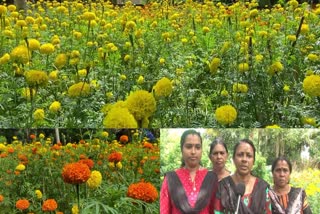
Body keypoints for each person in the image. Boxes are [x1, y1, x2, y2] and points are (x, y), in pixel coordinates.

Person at [160, 129, 218, 214]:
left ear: (201, 150)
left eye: (197, 147)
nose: (193, 152)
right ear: (181, 149)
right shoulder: (170, 179)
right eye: (189, 147)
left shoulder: (211, 178)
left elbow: (215, 209)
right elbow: (164, 211)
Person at [214, 139, 272, 214]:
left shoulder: (263, 188)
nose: (244, 159)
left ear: (253, 161)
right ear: (234, 159)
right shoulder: (222, 187)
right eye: (240, 155)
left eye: (249, 156)